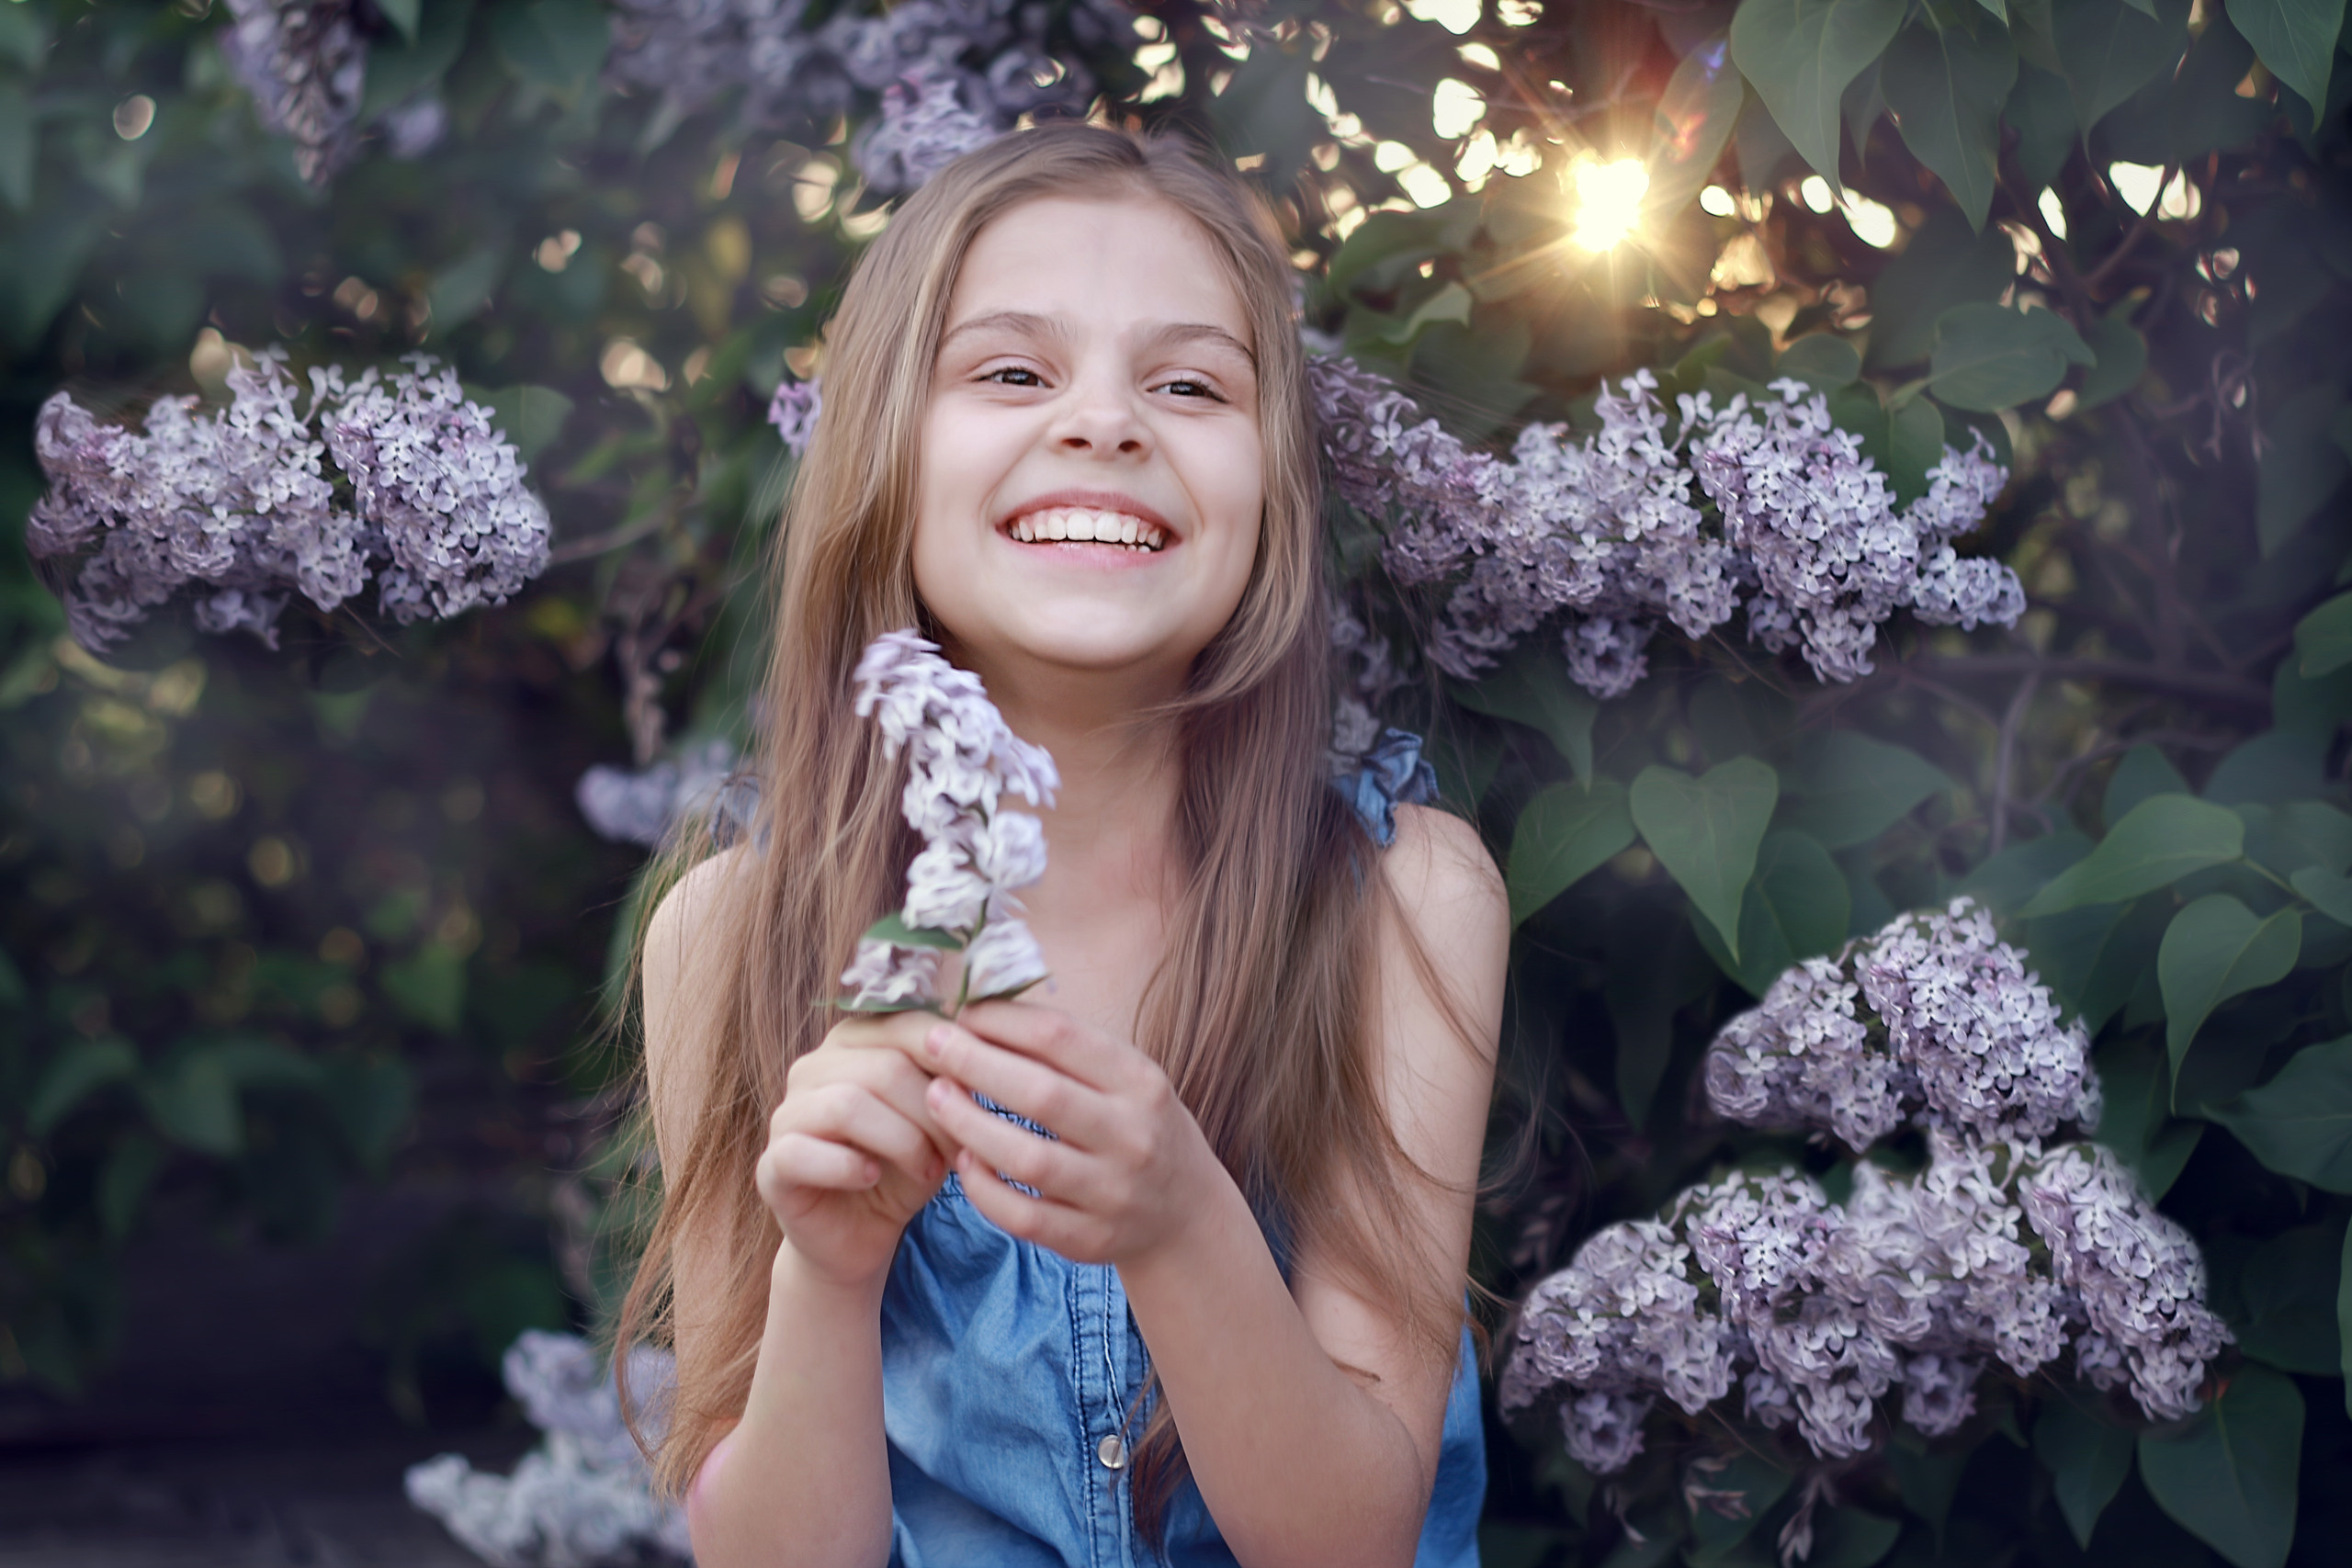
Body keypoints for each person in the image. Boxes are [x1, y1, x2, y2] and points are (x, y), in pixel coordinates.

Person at [620, 122, 1509, 1568]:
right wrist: (829, 1279)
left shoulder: (1402, 902)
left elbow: (1355, 1540)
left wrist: (1178, 1225)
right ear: (886, 459)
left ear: (1272, 496)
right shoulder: (731, 941)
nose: (1105, 422)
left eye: (1189, 383)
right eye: (1014, 370)